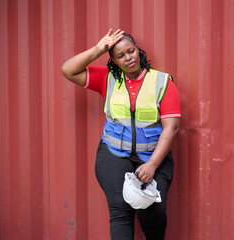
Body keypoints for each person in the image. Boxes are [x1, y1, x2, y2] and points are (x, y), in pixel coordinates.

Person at [61, 29, 181, 240]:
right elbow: (68, 70)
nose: (128, 58)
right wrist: (98, 49)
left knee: (153, 214)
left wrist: (152, 164)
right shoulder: (107, 79)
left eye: (131, 51)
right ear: (114, 61)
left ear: (139, 51)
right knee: (120, 213)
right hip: (113, 155)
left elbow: (171, 128)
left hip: (153, 157)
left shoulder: (162, 82)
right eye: (120, 56)